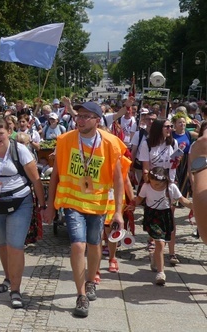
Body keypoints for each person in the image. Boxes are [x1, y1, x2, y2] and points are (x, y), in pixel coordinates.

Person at [45, 102, 127, 318]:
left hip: (98, 204)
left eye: (86, 116)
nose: (80, 120)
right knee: (78, 245)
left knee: (94, 243)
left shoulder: (110, 143)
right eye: (79, 116)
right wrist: (49, 206)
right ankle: (81, 295)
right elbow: (55, 174)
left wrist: (118, 211)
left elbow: (119, 180)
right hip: (72, 202)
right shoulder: (65, 140)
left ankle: (91, 280)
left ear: (98, 120)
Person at [0, 118, 46, 308]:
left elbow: (36, 180)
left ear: (8, 132)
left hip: (20, 202)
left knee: (15, 246)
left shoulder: (20, 150)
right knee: (3, 245)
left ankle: (15, 289)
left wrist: (43, 206)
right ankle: (7, 278)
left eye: (1, 133)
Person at [129, 167, 193, 285]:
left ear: (165, 181)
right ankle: (161, 272)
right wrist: (131, 205)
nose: (155, 186)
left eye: (158, 184)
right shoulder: (146, 187)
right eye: (153, 183)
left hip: (165, 216)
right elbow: (139, 199)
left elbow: (183, 200)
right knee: (160, 242)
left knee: (162, 242)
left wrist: (196, 207)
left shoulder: (171, 187)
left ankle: (155, 257)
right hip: (152, 215)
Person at [138, 118, 181, 265]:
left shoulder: (173, 143)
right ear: (159, 128)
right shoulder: (147, 144)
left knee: (170, 217)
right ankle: (154, 246)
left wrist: (176, 164)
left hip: (169, 184)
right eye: (167, 127)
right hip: (154, 184)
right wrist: (149, 181)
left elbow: (174, 166)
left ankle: (172, 252)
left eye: (171, 126)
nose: (170, 129)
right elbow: (145, 166)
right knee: (154, 215)